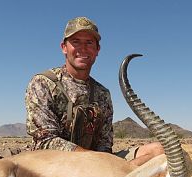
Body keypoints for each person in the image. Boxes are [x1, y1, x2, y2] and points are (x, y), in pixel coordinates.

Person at [25, 16, 163, 166]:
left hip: (95, 166)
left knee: (159, 151)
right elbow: (45, 141)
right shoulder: (43, 82)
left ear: (97, 49)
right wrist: (93, 159)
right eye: (76, 42)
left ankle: (123, 176)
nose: (83, 48)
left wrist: (102, 163)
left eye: (89, 43)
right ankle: (123, 176)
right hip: (54, 165)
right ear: (64, 47)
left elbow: (105, 144)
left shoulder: (102, 93)